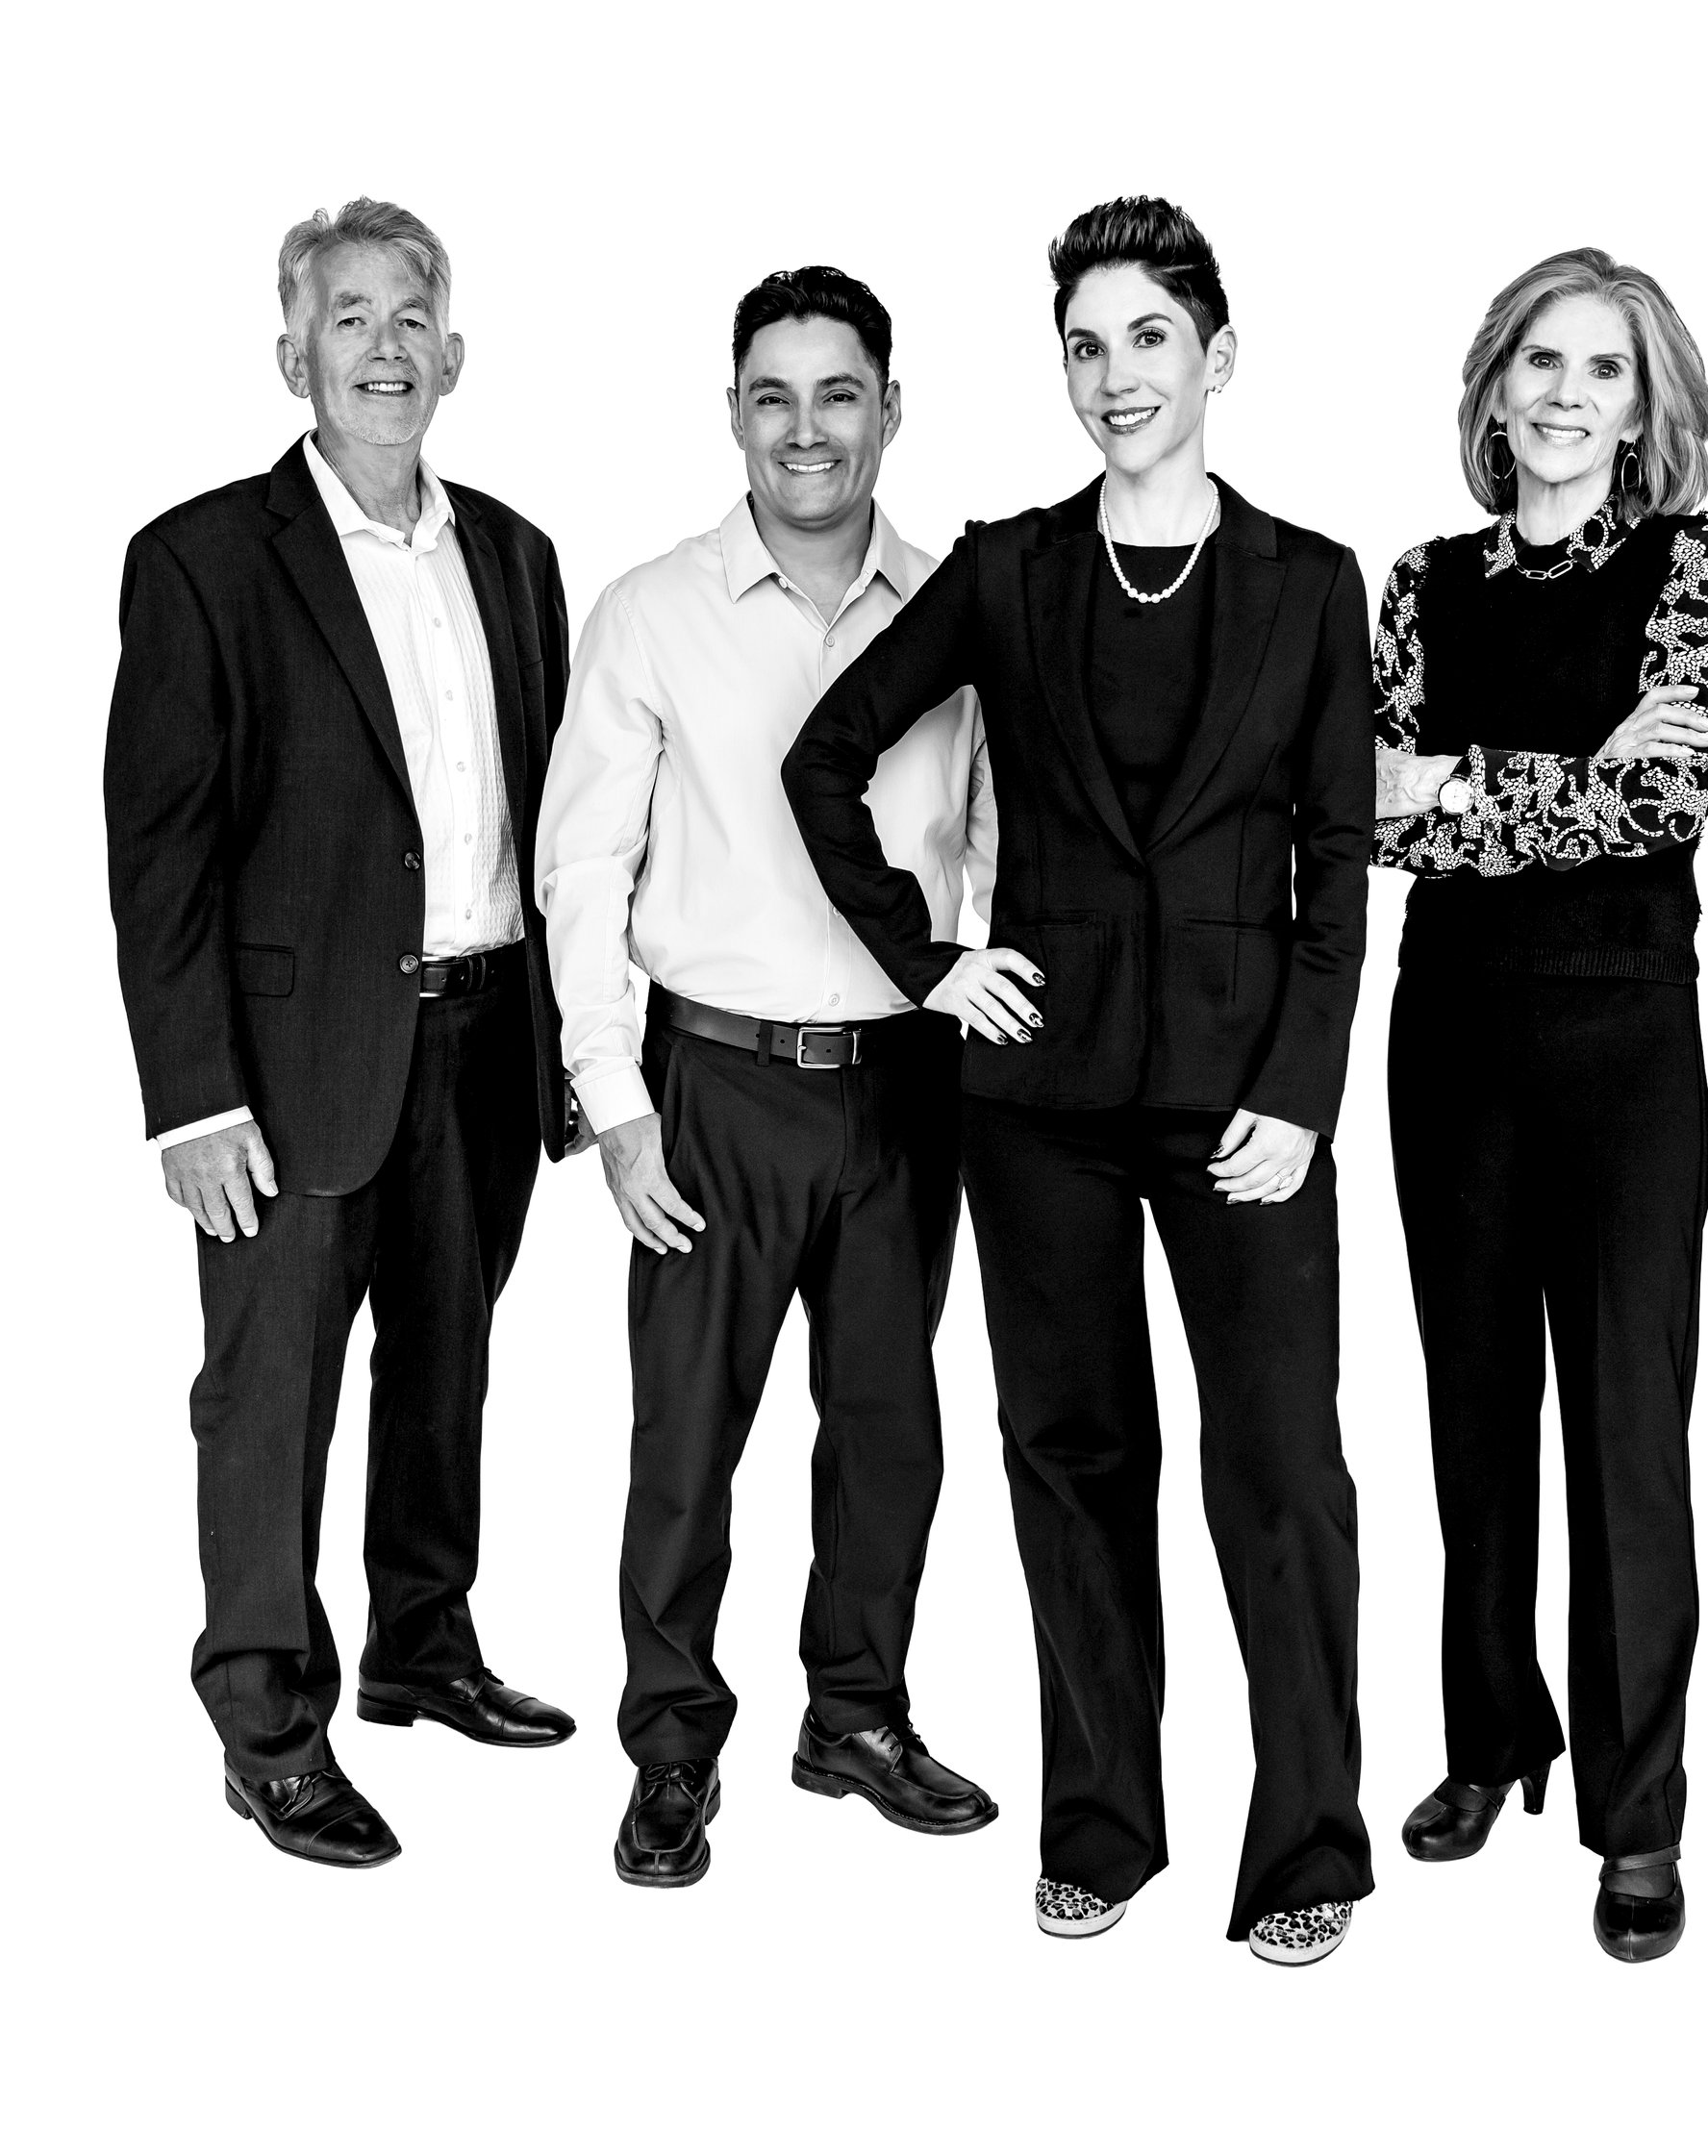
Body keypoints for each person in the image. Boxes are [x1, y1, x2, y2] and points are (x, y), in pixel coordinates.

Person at [785, 199, 1375, 1964]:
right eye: (1086, 347)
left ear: (1217, 356)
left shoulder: (1309, 582)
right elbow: (824, 755)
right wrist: (930, 961)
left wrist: (1304, 1091)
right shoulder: (1010, 568)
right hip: (1037, 1098)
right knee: (1072, 1456)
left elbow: (1337, 862)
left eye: (1147, 340)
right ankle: (1102, 1823)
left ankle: (1310, 1843)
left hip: (1245, 1106)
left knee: (1281, 1466)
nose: (1116, 377)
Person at [104, 198, 578, 1870]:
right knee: (270, 1399)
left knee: (447, 1362)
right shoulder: (203, 561)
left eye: (411, 318)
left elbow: (554, 815)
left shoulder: (515, 554)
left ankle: (421, 1647)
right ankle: (266, 1722)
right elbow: (160, 855)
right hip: (292, 1069)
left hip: (486, 1036)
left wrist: (574, 1047)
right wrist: (193, 1102)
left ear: (456, 355)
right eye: (350, 319)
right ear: (292, 356)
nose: (386, 347)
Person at [535, 266, 998, 1891]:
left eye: (839, 393)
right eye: (774, 396)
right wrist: (615, 1102)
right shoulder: (650, 611)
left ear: (891, 408)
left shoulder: (958, 611)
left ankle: (855, 1715)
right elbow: (581, 869)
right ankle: (672, 1745)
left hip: (905, 1085)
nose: (808, 429)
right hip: (713, 1088)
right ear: (732, 413)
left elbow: (995, 851)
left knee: (889, 1428)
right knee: (686, 1439)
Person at [1371, 247, 1708, 1962]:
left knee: (1626, 1435)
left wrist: (1469, 784)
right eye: (1541, 361)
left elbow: (1667, 799)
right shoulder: (1422, 582)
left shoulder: (1690, 564)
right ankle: (1486, 1739)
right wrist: (1563, 774)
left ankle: (1636, 1814)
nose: (1567, 395)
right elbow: (1371, 811)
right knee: (1471, 1416)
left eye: (1603, 370)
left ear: (1644, 405)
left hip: (1625, 1045)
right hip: (1450, 1037)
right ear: (1494, 385)